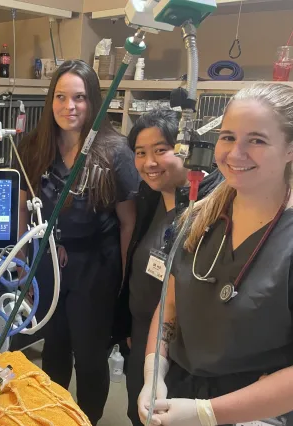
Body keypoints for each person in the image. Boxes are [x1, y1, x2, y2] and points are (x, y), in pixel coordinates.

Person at [138, 82, 293, 426]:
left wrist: (207, 413)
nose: (236, 153)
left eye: (257, 140)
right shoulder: (197, 219)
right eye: (227, 137)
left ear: (289, 150)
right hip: (177, 397)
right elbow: (170, 306)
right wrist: (153, 372)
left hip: (255, 415)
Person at [16, 59, 140, 424]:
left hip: (96, 268)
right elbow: (24, 208)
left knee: (88, 356)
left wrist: (120, 282)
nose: (69, 106)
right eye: (61, 96)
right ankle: (52, 417)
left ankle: (87, 419)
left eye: (80, 97)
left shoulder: (115, 152)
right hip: (48, 264)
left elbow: (127, 223)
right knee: (52, 348)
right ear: (50, 100)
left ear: (94, 101)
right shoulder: (34, 145)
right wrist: (25, 259)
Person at [115, 109, 223, 426]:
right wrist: (130, 328)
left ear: (186, 149)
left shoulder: (206, 209)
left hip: (180, 347)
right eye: (140, 153)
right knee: (138, 410)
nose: (149, 162)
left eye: (161, 150)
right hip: (143, 333)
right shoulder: (151, 199)